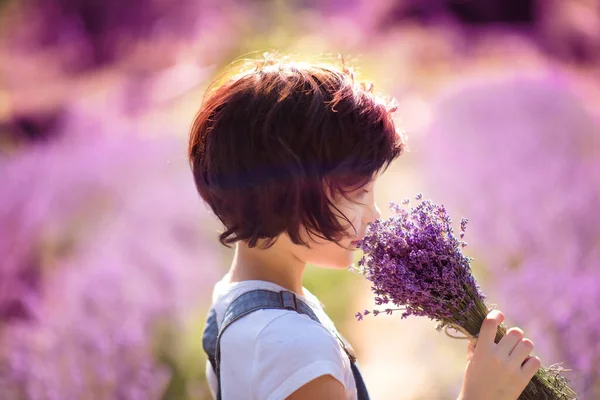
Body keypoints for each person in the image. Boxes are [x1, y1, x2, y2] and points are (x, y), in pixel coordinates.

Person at [188, 53, 541, 400]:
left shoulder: (235, 299)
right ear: (285, 192)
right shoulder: (294, 348)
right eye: (359, 192)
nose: (374, 215)